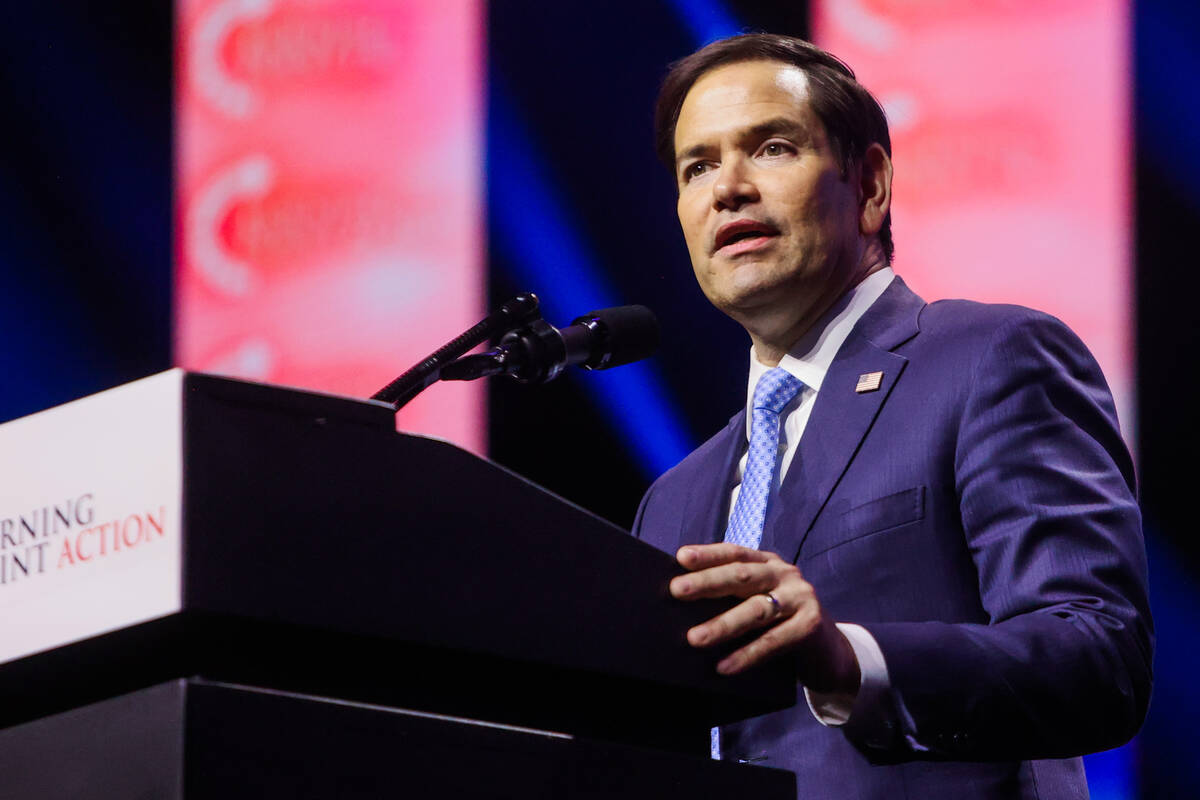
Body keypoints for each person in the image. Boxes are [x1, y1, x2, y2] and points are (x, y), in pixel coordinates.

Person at [632, 33, 1152, 799]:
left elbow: (1097, 658)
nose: (727, 189)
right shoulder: (672, 497)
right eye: (697, 166)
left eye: (770, 148)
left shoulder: (990, 359)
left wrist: (854, 661)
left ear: (871, 184)